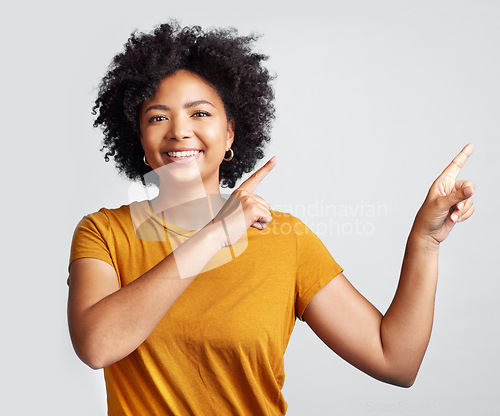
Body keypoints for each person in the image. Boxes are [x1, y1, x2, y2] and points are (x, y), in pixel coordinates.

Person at [67, 22, 475, 415]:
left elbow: (396, 362)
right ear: (139, 138)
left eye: (200, 114)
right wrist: (214, 236)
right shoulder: (104, 233)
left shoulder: (285, 240)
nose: (178, 131)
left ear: (230, 133)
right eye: (157, 117)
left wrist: (425, 242)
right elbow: (98, 345)